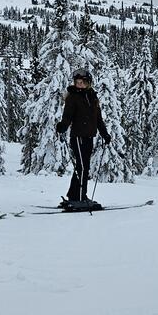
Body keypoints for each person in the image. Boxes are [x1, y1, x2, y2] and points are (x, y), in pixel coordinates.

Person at [55, 68, 112, 210]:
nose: (79, 84)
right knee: (82, 168)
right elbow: (67, 116)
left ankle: (74, 196)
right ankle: (80, 197)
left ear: (88, 83)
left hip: (89, 137)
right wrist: (62, 126)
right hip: (78, 137)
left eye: (82, 82)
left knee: (82, 167)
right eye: (77, 82)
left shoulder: (93, 97)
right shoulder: (73, 97)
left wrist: (105, 134)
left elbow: (98, 119)